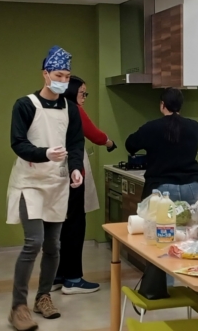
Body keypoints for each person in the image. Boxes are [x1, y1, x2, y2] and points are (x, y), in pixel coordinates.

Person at [6, 45, 85, 331]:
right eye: (58, 75)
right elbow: (18, 143)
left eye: (67, 76)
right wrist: (44, 153)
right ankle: (18, 307)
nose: (63, 80)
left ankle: (43, 297)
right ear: (45, 74)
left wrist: (75, 168)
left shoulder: (70, 109)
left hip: (57, 183)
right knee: (34, 242)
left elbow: (75, 143)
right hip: (30, 183)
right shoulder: (25, 105)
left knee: (53, 245)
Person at [55, 76, 116, 295]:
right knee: (75, 225)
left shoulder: (54, 108)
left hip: (55, 176)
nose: (84, 97)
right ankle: (73, 279)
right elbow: (94, 134)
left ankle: (58, 276)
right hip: (72, 174)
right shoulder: (74, 109)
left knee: (60, 226)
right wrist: (110, 142)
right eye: (82, 93)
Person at [125, 87, 198, 203]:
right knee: (193, 216)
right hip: (193, 187)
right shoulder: (194, 126)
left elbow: (130, 144)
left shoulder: (151, 127)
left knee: (159, 216)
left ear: (163, 104)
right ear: (180, 105)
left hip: (161, 188)